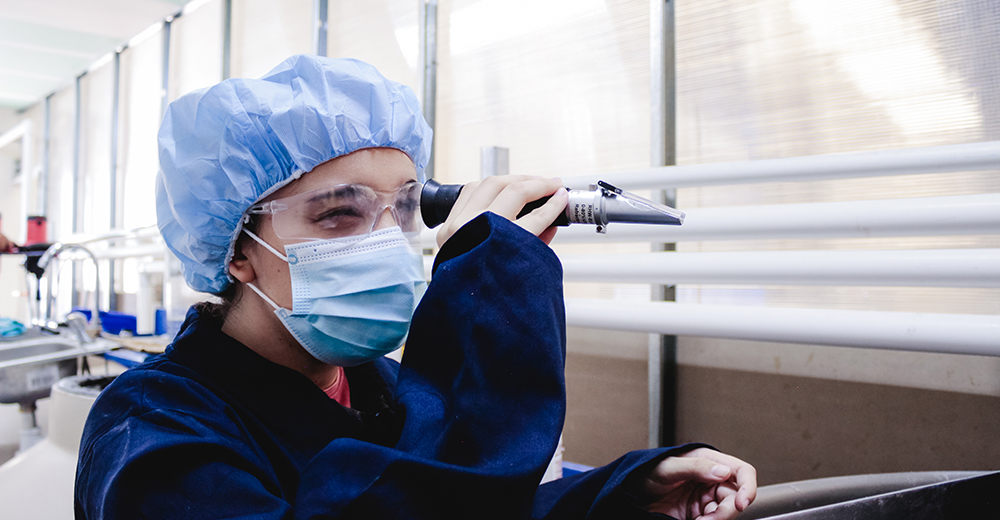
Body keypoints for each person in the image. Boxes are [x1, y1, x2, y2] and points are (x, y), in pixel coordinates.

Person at [75, 55, 755, 520]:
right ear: (238, 253)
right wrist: (488, 296)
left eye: (402, 211)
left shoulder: (378, 384)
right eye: (338, 215)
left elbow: (465, 503)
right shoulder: (153, 434)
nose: (383, 241)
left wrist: (622, 494)